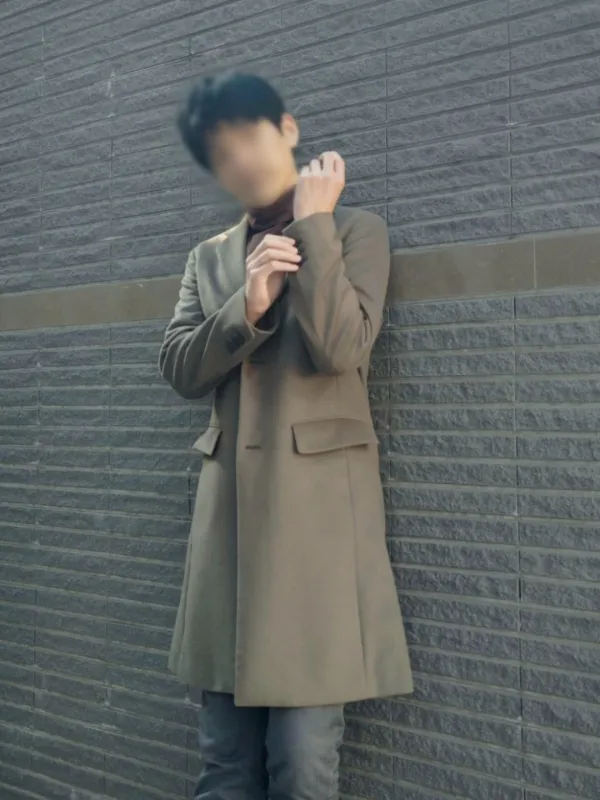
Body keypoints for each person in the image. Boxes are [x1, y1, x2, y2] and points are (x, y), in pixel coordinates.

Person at [159, 72, 413, 800]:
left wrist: (314, 227)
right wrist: (247, 304)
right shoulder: (209, 258)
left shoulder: (356, 231)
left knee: (303, 765)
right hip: (228, 536)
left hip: (316, 539)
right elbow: (178, 367)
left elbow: (342, 348)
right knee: (224, 764)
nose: (240, 158)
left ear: (288, 130)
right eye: (221, 153)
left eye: (249, 136)